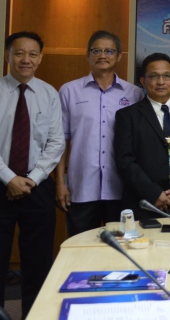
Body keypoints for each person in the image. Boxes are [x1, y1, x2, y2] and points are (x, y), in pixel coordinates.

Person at [0, 31, 64, 318]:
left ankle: (34, 315)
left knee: (37, 263)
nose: (26, 59)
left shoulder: (49, 93)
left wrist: (33, 178)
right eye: (19, 53)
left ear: (40, 58)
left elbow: (56, 142)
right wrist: (9, 178)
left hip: (37, 189)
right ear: (7, 56)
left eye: (32, 54)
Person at [56, 30, 143, 236]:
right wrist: (60, 183)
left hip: (122, 189)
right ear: (88, 55)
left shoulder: (134, 93)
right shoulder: (69, 91)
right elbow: (61, 141)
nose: (102, 55)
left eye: (109, 51)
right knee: (82, 247)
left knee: (123, 249)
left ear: (119, 56)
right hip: (81, 188)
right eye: (96, 50)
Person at [114, 53, 170, 220]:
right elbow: (125, 160)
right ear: (142, 81)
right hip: (144, 204)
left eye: (166, 76)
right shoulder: (127, 116)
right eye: (154, 76)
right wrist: (154, 193)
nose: (161, 82)